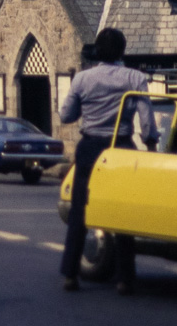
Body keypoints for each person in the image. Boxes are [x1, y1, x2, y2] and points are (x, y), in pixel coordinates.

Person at [58, 28, 159, 295]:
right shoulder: (135, 78)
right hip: (120, 147)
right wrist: (151, 144)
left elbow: (66, 115)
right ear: (122, 51)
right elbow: (146, 120)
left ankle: (70, 274)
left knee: (80, 208)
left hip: (90, 146)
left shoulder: (82, 79)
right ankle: (125, 278)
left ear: (98, 51)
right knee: (122, 211)